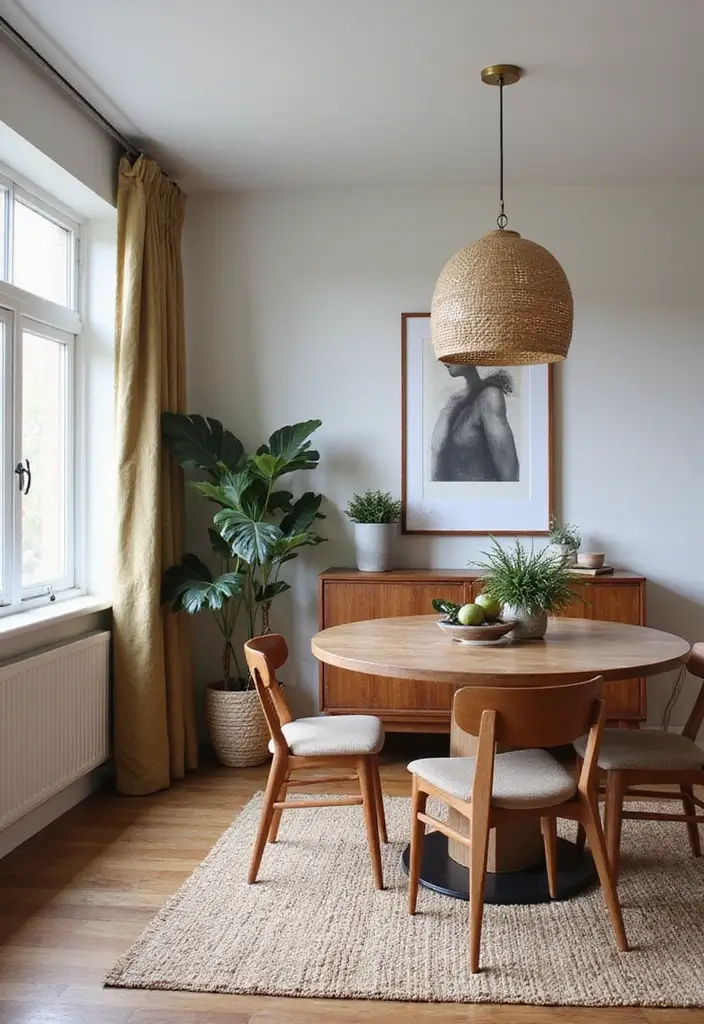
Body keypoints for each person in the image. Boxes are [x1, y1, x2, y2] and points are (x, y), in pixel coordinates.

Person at [430, 364, 519, 482]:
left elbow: (509, 472)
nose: (444, 361)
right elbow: (436, 455)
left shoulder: (489, 397)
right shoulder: (454, 403)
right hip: (452, 497)